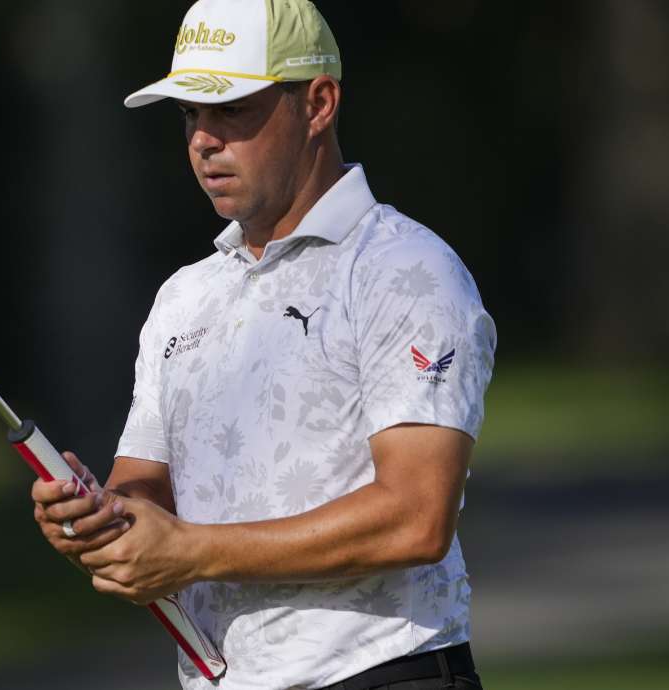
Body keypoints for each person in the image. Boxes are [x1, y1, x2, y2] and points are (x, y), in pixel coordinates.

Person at [31, 1, 497, 688]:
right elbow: (146, 497)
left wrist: (194, 552)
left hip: (382, 672)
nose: (203, 139)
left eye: (232, 110)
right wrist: (96, 527)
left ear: (318, 103)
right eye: (191, 114)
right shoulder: (183, 298)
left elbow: (415, 516)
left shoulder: (405, 270)